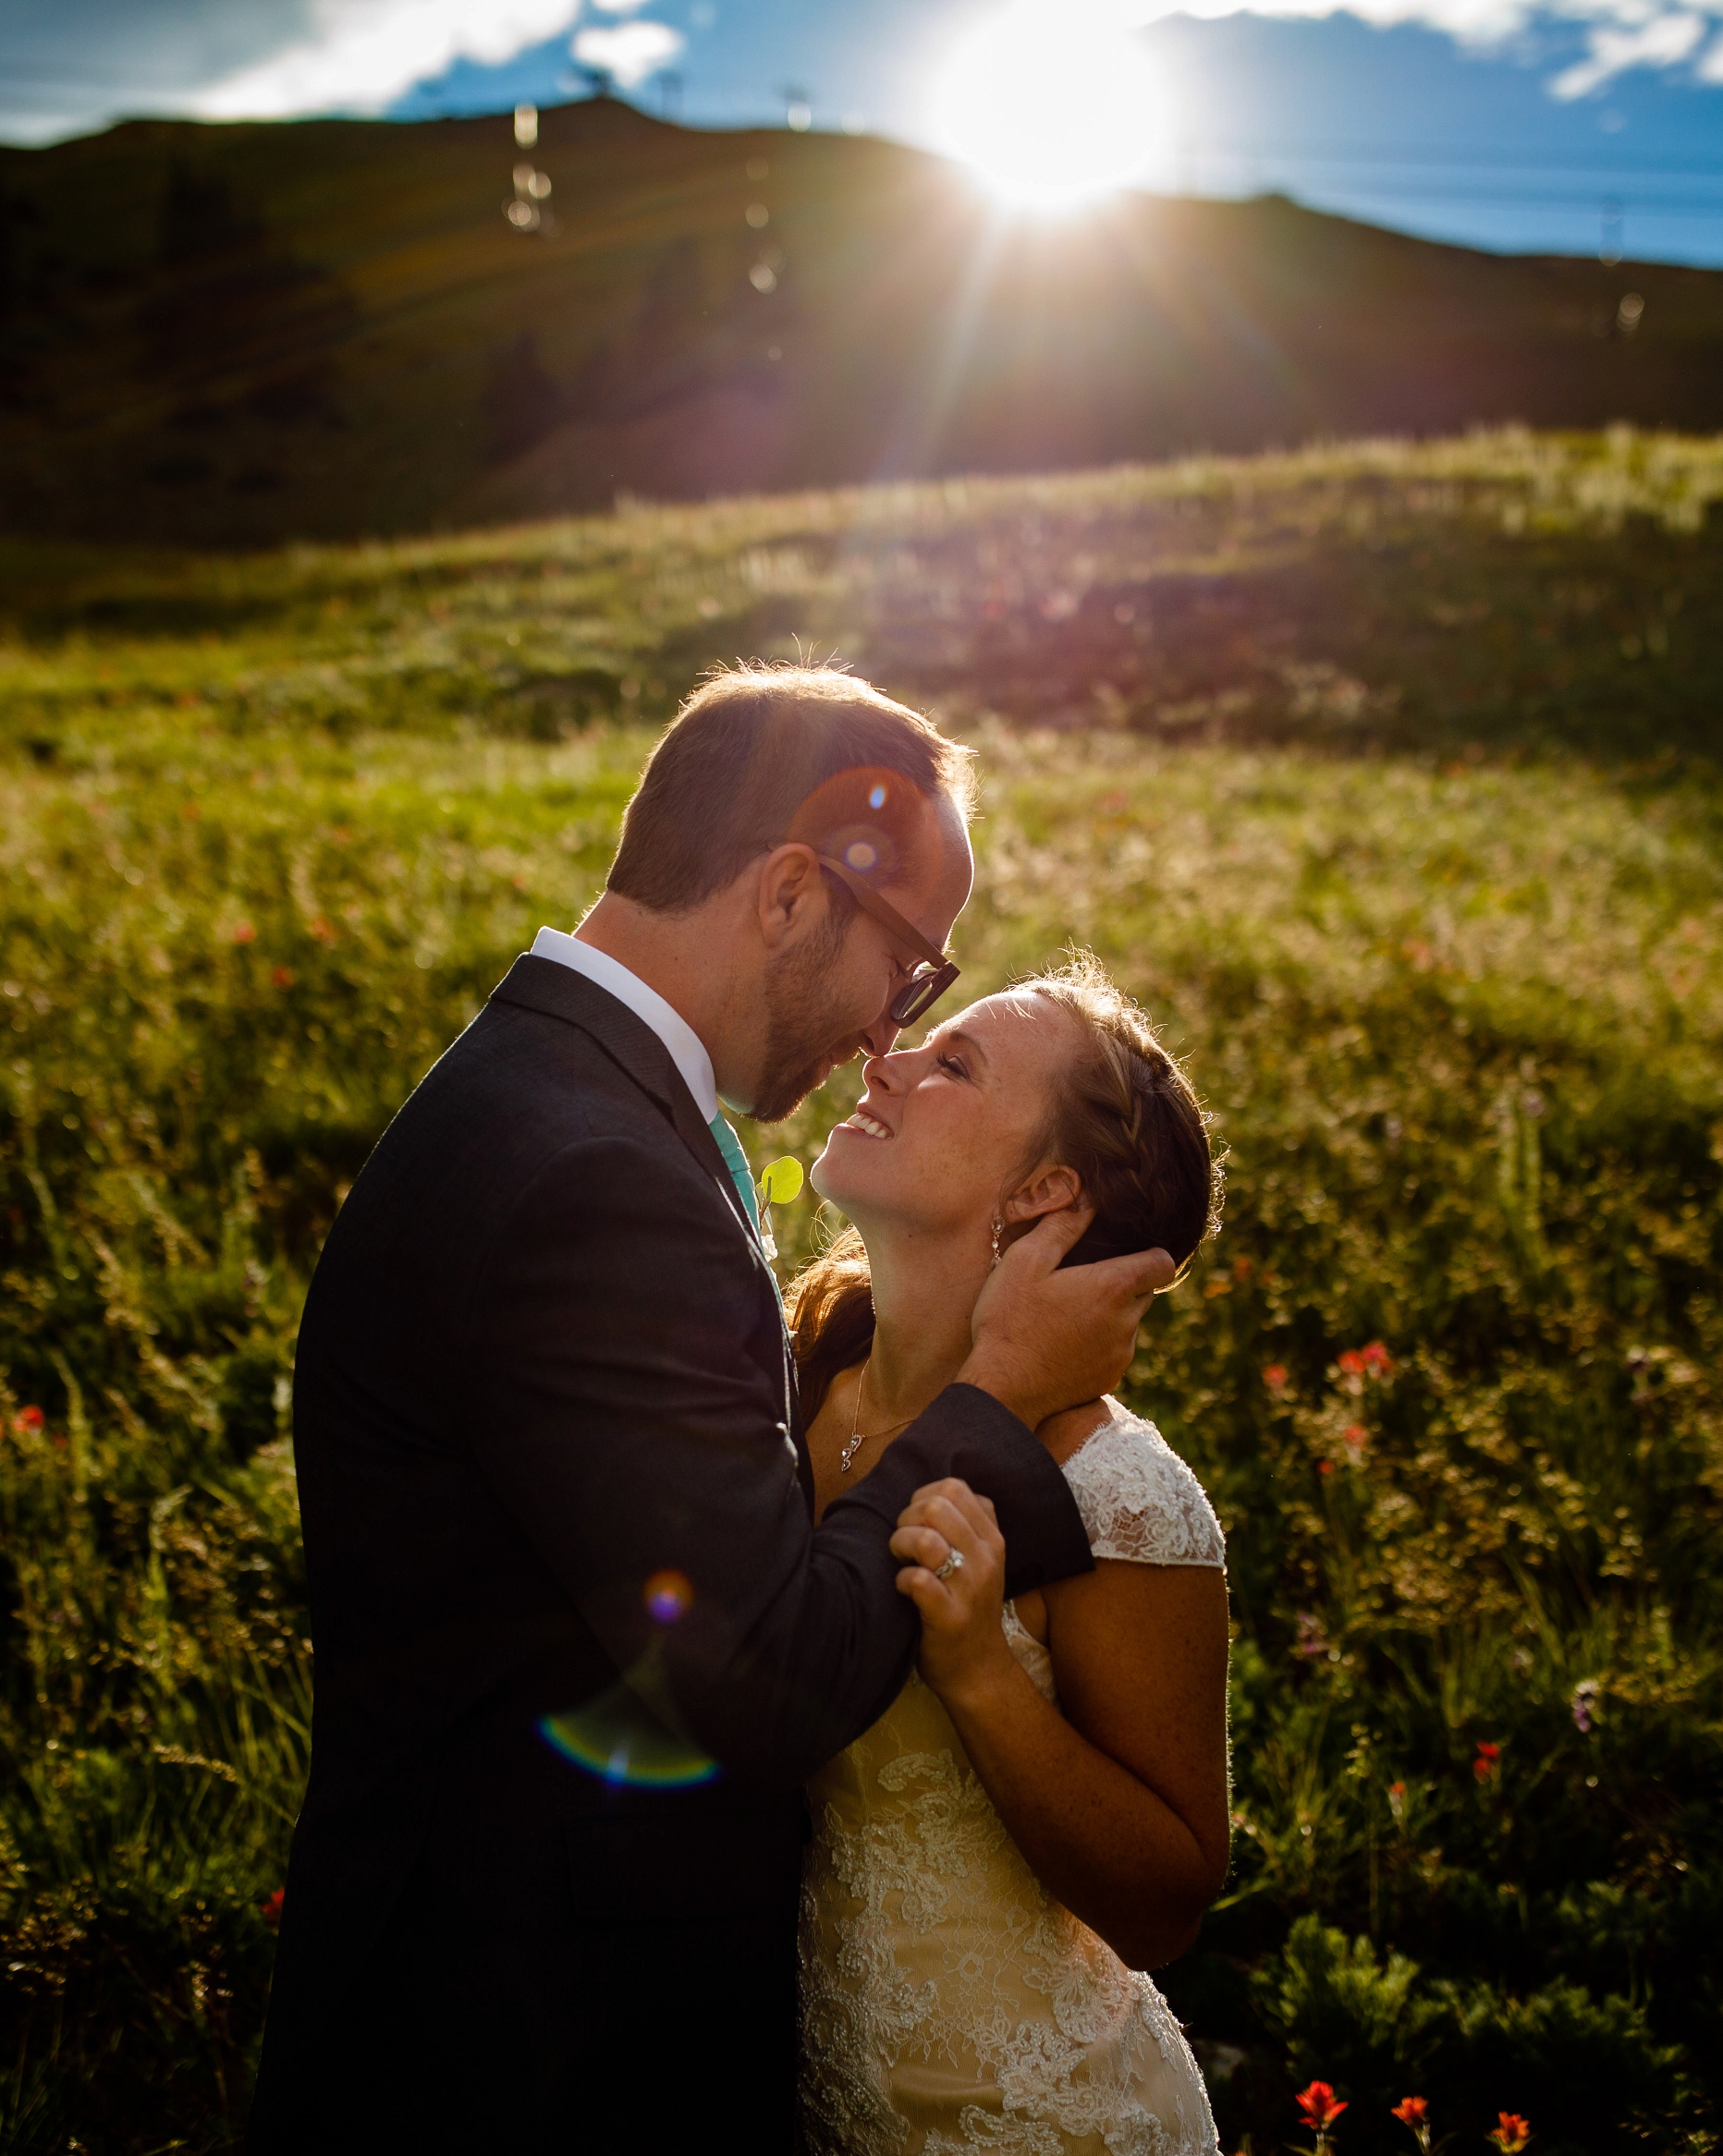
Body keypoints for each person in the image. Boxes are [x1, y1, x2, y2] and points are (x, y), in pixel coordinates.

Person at [248, 665, 1178, 2151]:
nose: (889, 1036)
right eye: (913, 969)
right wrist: (1001, 1385)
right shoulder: (595, 1173)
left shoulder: (566, 1095)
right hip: (522, 2058)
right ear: (795, 891)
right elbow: (760, 1676)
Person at [790, 956, 1229, 2156]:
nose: (889, 1056)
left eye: (954, 1064)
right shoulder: (803, 1377)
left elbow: (1165, 1901)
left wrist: (982, 1671)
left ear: (1040, 1193)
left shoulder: (1117, 1493)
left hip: (1043, 2125)